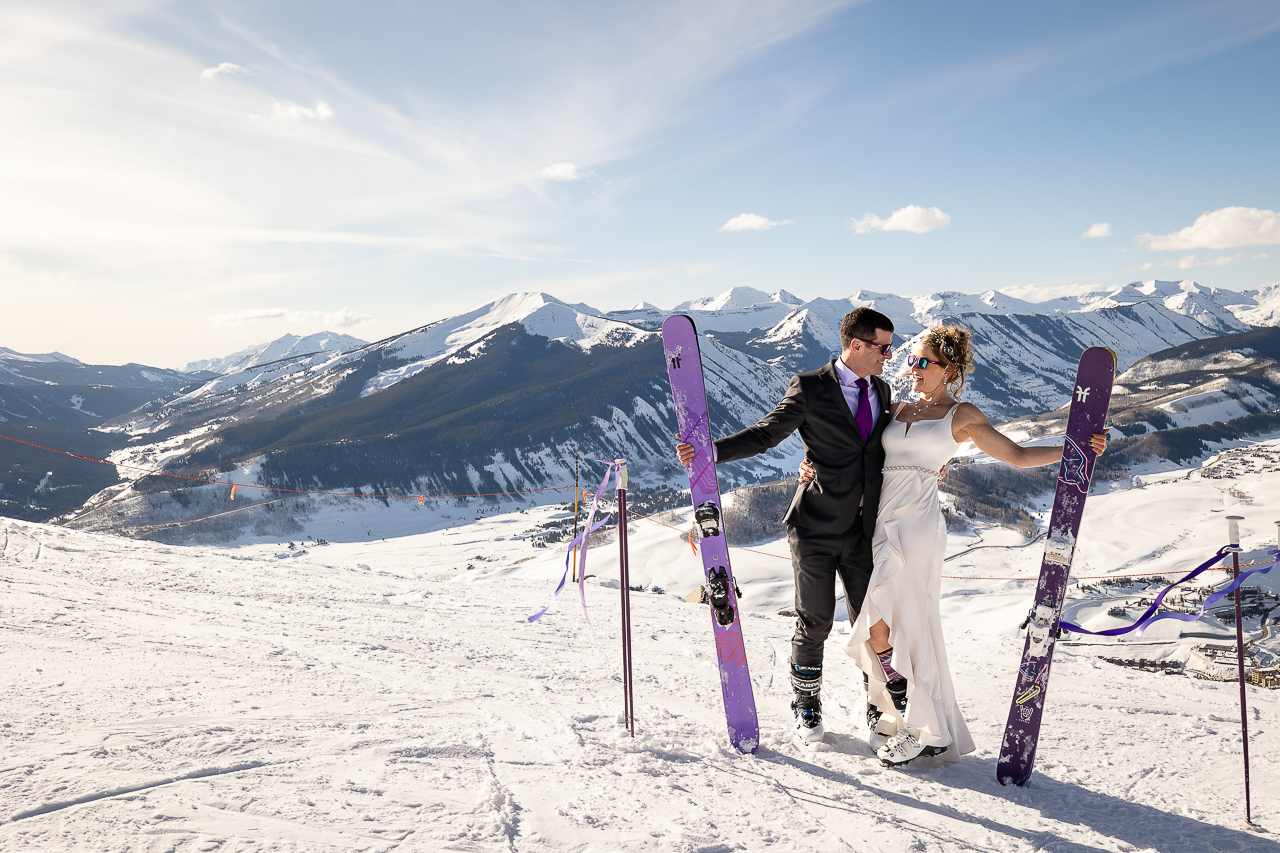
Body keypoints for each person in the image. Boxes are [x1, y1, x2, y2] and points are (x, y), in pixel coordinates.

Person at [798, 326, 1108, 766]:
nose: (913, 368)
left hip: (919, 527)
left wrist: (1075, 448)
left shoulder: (960, 415)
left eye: (924, 362)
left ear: (950, 370)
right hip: (880, 524)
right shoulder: (895, 406)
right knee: (878, 627)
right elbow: (850, 445)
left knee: (905, 624)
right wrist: (811, 465)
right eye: (912, 360)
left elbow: (1016, 456)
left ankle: (924, 727)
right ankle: (904, 718)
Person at [677, 307, 896, 744]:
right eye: (883, 347)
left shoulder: (882, 390)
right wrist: (710, 452)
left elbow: (880, 451)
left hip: (862, 529)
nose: (888, 356)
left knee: (872, 623)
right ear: (856, 345)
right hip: (814, 526)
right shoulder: (812, 387)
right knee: (814, 620)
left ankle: (878, 710)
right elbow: (768, 432)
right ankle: (806, 707)